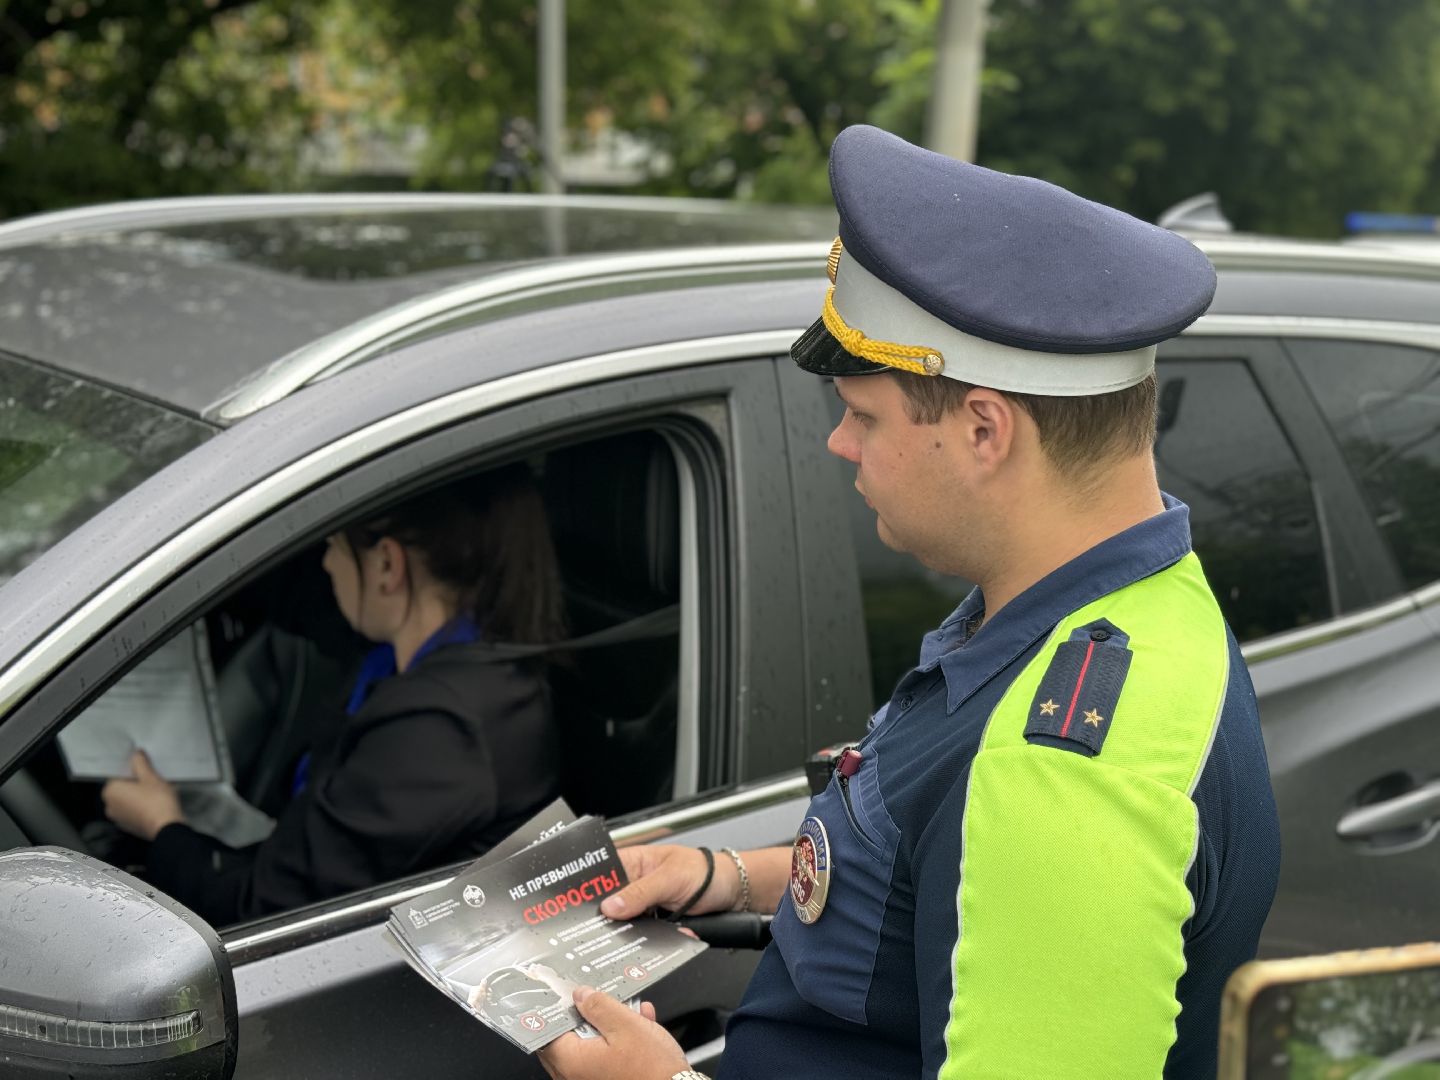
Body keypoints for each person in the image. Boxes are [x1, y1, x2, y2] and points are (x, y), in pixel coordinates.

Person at [536, 125, 1281, 1080]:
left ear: (983, 430)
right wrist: (730, 876)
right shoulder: (1120, 605)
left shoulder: (1059, 782)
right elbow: (936, 871)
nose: (841, 445)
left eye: (863, 413)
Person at [101, 463, 566, 926]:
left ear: (386, 565)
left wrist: (161, 827)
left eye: (332, 545)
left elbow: (269, 910)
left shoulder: (438, 732)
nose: (325, 564)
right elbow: (296, 598)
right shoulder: (455, 657)